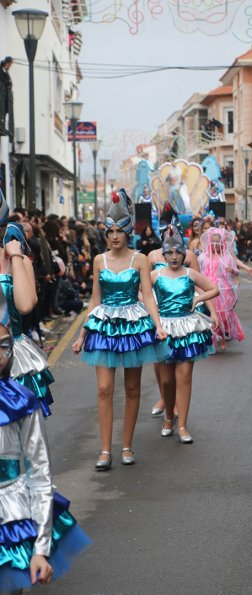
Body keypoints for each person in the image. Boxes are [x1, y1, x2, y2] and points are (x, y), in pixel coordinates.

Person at [72, 189, 169, 470]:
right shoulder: (98, 260)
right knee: (104, 388)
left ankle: (126, 445)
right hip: (103, 326)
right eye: (110, 231)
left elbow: (148, 296)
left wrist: (159, 326)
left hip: (134, 325)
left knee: (132, 387)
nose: (114, 236)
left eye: (119, 231)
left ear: (128, 233)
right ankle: (104, 450)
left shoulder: (139, 259)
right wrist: (81, 334)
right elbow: (94, 299)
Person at [0, 294, 91, 592]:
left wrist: (40, 549)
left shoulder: (19, 401)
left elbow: (39, 473)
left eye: (3, 346)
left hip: (11, 513)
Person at [151, 224, 219, 444]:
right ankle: (169, 417)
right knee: (167, 381)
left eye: (178, 252)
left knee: (185, 377)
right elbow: (139, 292)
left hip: (187, 329)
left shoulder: (190, 273)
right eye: (169, 252)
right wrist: (151, 307)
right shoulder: (155, 275)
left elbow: (213, 288)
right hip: (164, 329)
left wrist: (198, 300)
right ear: (163, 253)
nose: (173, 257)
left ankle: (182, 425)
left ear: (184, 253)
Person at [0, 200, 55, 416]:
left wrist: (14, 256)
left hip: (14, 355)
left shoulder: (18, 259)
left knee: (23, 434)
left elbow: (24, 305)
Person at [199, 227, 245, 350]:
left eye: (217, 241)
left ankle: (223, 336)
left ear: (222, 242)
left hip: (223, 290)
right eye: (212, 241)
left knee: (224, 315)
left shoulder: (227, 257)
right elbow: (198, 273)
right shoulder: (203, 257)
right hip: (208, 289)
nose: (215, 244)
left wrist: (233, 271)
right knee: (210, 314)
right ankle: (214, 339)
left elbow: (236, 273)